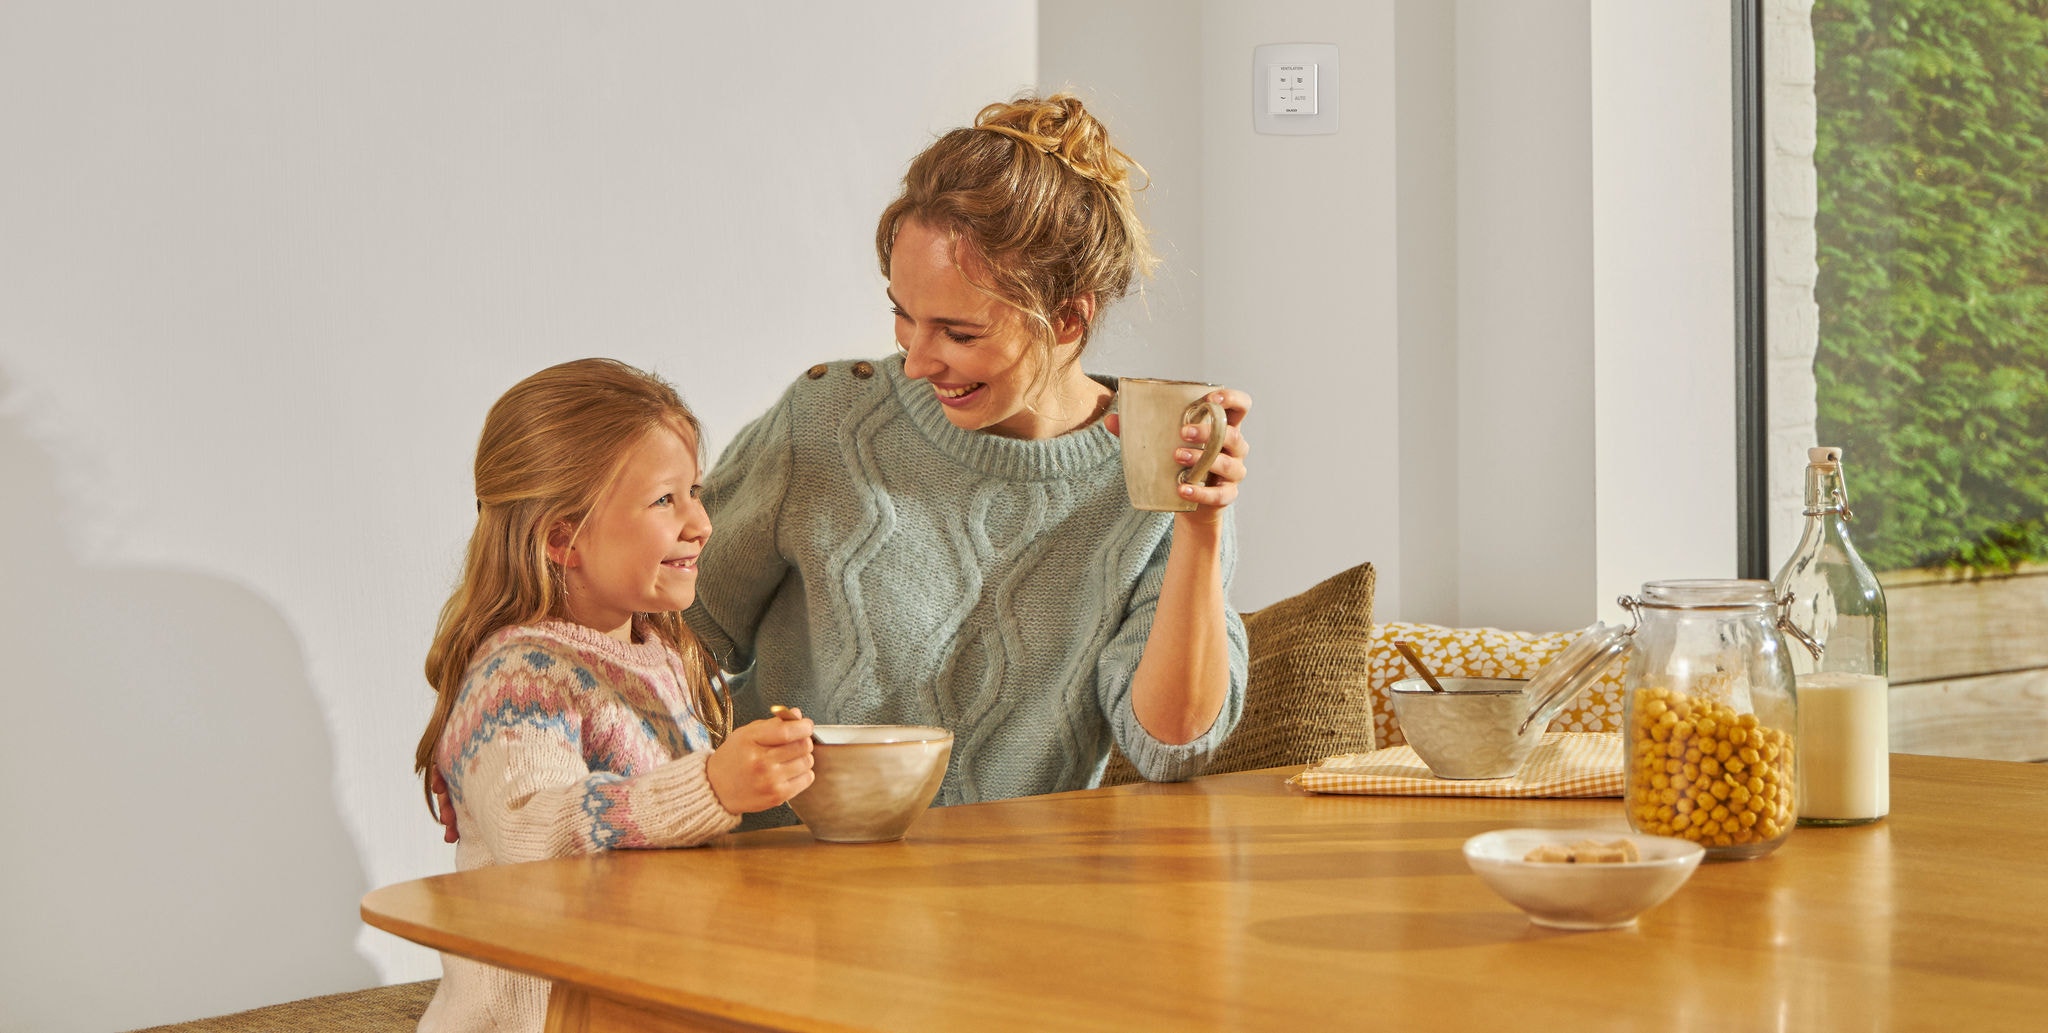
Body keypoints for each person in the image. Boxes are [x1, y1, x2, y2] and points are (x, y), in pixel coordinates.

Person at [685, 93, 1254, 826]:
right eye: (902, 314)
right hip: (786, 882)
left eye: (958, 332)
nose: (917, 362)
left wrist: (1200, 525)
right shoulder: (829, 420)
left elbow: (1171, 746)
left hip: (1008, 899)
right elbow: (672, 633)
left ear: (1069, 320)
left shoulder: (1155, 469)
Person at [411, 358, 816, 1033]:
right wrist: (711, 786)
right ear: (564, 537)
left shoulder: (656, 652)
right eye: (666, 500)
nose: (702, 522)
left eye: (696, 491)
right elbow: (530, 834)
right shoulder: (523, 677)